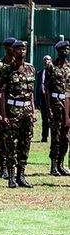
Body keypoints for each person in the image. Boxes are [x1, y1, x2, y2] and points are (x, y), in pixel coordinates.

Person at [0, 40, 35, 188]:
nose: (22, 51)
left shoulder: (31, 69)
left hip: (27, 110)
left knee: (25, 143)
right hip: (13, 110)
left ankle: (22, 175)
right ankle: (12, 177)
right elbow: (2, 93)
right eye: (18, 49)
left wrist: (33, 111)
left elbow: (31, 93)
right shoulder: (7, 70)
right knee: (11, 145)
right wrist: (3, 114)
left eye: (24, 49)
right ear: (13, 51)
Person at [45, 41, 70, 176]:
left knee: (65, 136)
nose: (66, 51)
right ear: (58, 51)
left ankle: (61, 164)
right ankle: (53, 165)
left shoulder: (69, 67)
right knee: (56, 136)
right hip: (55, 102)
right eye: (63, 49)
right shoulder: (51, 67)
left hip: (66, 103)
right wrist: (48, 108)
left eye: (67, 49)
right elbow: (47, 88)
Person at [0, 37, 16, 179]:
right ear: (6, 48)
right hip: (3, 104)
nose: (14, 49)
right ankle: (3, 167)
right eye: (12, 47)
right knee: (2, 137)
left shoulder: (18, 64)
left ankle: (11, 165)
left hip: (16, 106)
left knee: (14, 138)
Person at [36, 55, 52, 143]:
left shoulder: (54, 72)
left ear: (51, 61)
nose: (46, 61)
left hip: (52, 99)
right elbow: (38, 87)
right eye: (45, 60)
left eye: (48, 60)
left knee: (53, 119)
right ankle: (44, 137)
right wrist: (37, 101)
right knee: (44, 120)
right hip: (43, 99)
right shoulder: (40, 73)